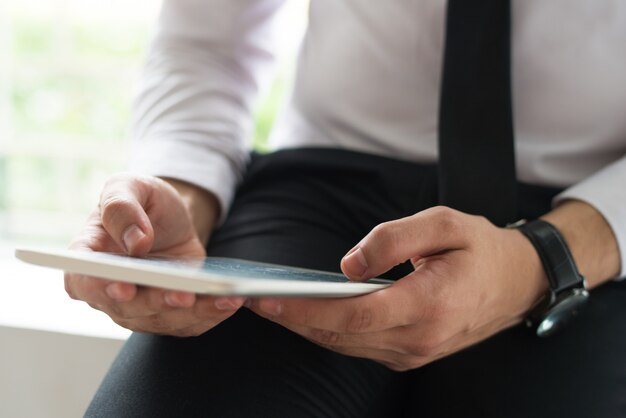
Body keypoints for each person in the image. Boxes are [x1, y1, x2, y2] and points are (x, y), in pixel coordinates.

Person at [67, 1, 626, 417]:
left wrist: (549, 256)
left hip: (589, 221)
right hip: (323, 192)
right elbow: (209, 42)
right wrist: (183, 197)